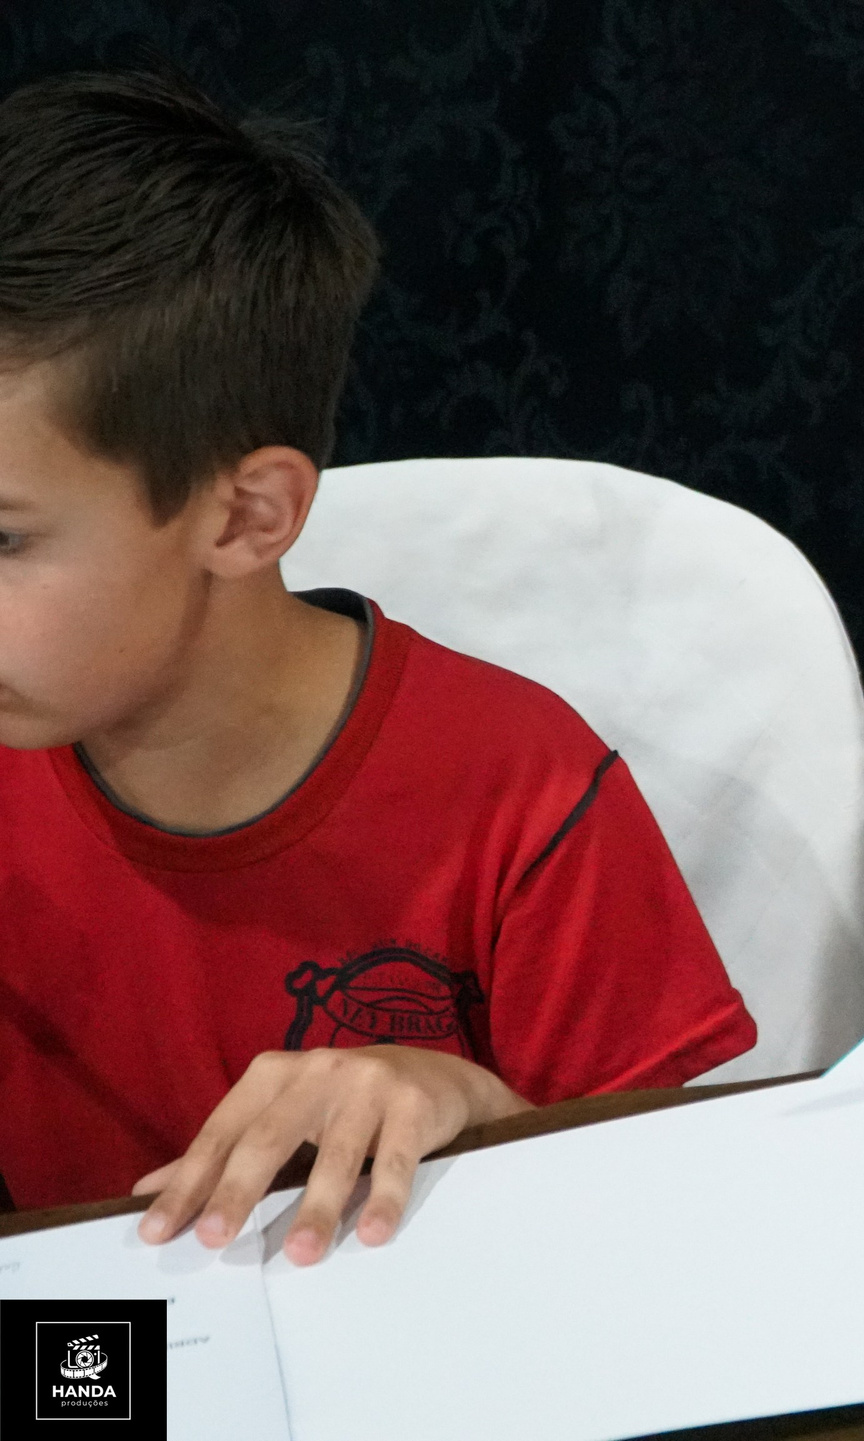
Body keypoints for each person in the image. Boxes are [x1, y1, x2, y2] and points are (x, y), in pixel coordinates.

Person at [0, 71, 756, 1263]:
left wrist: (473, 1106)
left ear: (249, 515)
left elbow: (691, 1215)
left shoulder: (525, 792)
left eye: (6, 539)